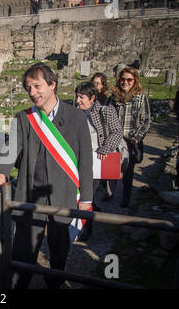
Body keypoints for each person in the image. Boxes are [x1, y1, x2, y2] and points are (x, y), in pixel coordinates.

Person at [0, 63, 93, 289]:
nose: (32, 92)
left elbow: (85, 163)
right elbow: (11, 149)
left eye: (36, 86)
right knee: (24, 249)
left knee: (59, 247)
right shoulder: (24, 119)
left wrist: (87, 199)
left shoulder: (76, 118)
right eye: (28, 88)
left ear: (52, 85)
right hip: (31, 193)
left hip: (63, 193)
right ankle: (19, 284)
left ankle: (54, 282)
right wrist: (1, 173)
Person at [74, 82, 122, 241]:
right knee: (77, 195)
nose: (78, 100)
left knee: (88, 196)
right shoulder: (74, 113)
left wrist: (105, 149)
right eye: (77, 96)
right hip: (77, 161)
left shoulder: (106, 111)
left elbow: (116, 132)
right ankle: (77, 224)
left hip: (95, 163)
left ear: (93, 98)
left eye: (82, 97)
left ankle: (86, 228)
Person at [109, 67, 151, 208]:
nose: (125, 82)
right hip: (115, 139)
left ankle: (126, 197)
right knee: (112, 169)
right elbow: (106, 115)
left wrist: (137, 137)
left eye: (129, 80)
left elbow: (146, 120)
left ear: (135, 81)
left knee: (128, 172)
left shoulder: (140, 98)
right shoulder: (113, 97)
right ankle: (110, 193)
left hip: (131, 140)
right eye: (122, 79)